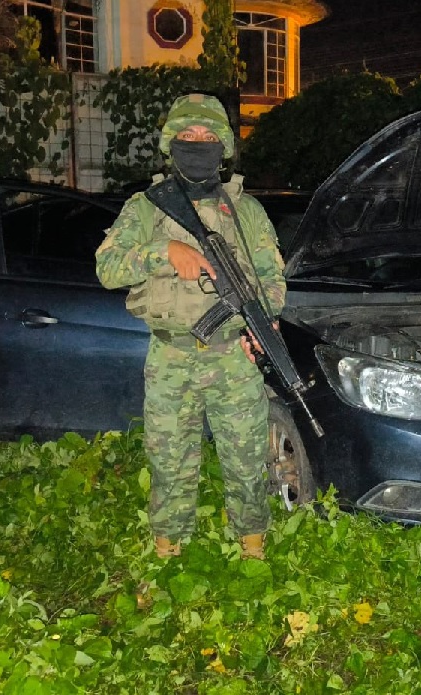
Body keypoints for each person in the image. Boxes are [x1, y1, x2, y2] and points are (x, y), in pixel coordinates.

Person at [95, 93, 286, 561]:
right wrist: (164, 254)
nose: (197, 144)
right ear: (171, 143)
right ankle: (167, 551)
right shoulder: (146, 207)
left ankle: (253, 546)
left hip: (231, 355)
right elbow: (108, 267)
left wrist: (262, 328)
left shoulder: (247, 211)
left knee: (245, 456)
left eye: (206, 137)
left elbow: (270, 279)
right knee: (169, 459)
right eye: (187, 136)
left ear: (222, 145)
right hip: (171, 355)